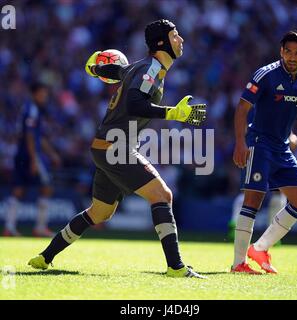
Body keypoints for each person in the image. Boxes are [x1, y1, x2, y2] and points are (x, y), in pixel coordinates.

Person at [28, 19, 207, 278]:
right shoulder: (151, 68)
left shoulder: (142, 67)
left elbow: (120, 73)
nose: (181, 39)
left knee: (100, 212)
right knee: (163, 195)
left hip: (104, 148)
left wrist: (96, 67)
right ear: (162, 43)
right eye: (175, 35)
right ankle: (176, 267)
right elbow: (135, 103)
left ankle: (45, 257)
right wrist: (174, 113)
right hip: (117, 147)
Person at [231, 31, 297, 274]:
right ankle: (238, 264)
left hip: (282, 147)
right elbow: (242, 108)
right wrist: (240, 143)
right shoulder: (266, 74)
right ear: (281, 51)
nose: (292, 57)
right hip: (259, 143)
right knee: (253, 200)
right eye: (288, 51)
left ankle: (259, 248)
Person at [3, 82, 61, 237]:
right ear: (35, 94)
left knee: (19, 189)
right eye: (43, 94)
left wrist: (51, 153)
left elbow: (36, 136)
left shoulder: (28, 109)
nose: (45, 97)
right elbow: (29, 136)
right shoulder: (32, 110)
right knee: (47, 187)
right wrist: (34, 159)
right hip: (30, 155)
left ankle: (9, 227)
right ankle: (40, 227)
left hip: (21, 154)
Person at [227, 132, 297, 242]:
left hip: (275, 158)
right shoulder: (254, 117)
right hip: (257, 155)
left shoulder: (282, 118)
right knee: (248, 193)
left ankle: (274, 234)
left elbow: (294, 140)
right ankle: (235, 226)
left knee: (278, 193)